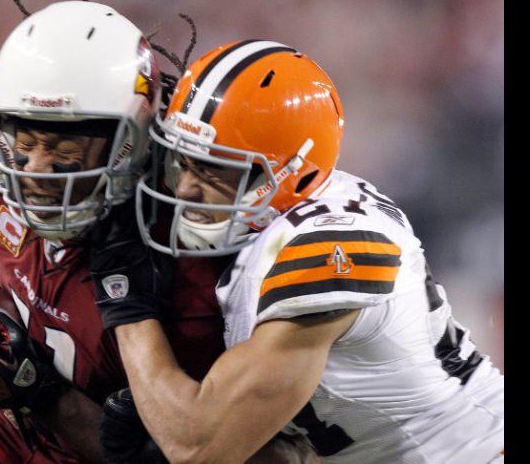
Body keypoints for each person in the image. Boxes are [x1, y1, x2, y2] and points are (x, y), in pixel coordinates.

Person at [0, 2, 311, 464]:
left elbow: (266, 455)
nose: (39, 173)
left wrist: (43, 393)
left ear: (134, 138)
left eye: (66, 147)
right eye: (24, 145)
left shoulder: (203, 243)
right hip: (21, 434)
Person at [97, 40, 505, 463]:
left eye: (215, 168)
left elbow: (198, 448)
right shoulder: (305, 211)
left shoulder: (327, 245)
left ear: (294, 170)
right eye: (183, 162)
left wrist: (129, 311)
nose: (184, 188)